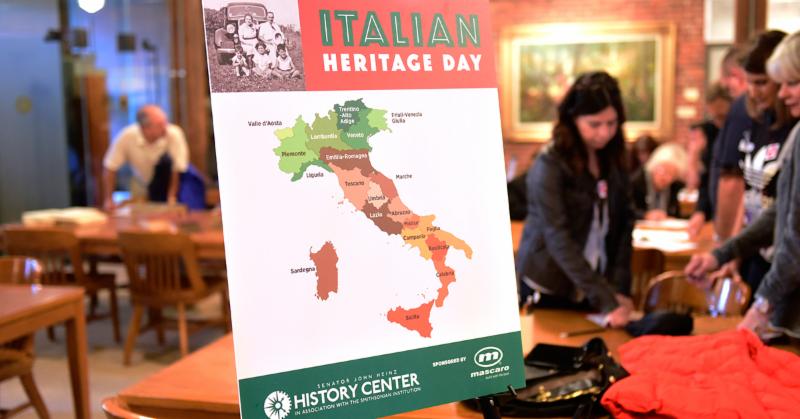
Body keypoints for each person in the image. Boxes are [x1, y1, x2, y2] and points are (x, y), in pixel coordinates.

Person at [685, 30, 800, 340]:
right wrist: (723, 253)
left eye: (792, 83)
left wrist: (763, 303)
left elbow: (796, 238)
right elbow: (778, 211)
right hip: (776, 278)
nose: (783, 94)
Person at [516, 71, 634, 328]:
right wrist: (606, 299)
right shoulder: (550, 163)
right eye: (594, 124)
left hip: (594, 285)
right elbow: (557, 237)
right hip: (550, 284)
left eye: (612, 123)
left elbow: (624, 224)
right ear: (573, 119)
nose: (605, 132)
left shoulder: (613, 158)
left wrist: (619, 288)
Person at [713, 30, 796, 291]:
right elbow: (747, 191)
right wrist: (731, 252)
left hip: (785, 259)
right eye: (748, 82)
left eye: (761, 83)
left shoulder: (793, 128)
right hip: (756, 251)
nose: (752, 92)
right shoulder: (752, 116)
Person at [102, 105, 189, 210]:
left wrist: (171, 198)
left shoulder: (174, 134)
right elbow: (110, 166)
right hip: (140, 182)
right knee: (138, 215)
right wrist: (109, 199)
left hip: (169, 184)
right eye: (160, 125)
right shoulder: (127, 136)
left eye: (165, 122)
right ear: (145, 128)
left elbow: (177, 170)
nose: (165, 128)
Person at [686, 83, 733, 237]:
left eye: (722, 116)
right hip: (715, 208)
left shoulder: (737, 128)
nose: (719, 122)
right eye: (714, 117)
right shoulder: (709, 131)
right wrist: (700, 211)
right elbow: (704, 179)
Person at [631, 142, 688, 220]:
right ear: (654, 165)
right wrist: (645, 215)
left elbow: (679, 214)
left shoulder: (676, 186)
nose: (666, 178)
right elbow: (628, 211)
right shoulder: (636, 182)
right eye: (664, 171)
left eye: (672, 175)